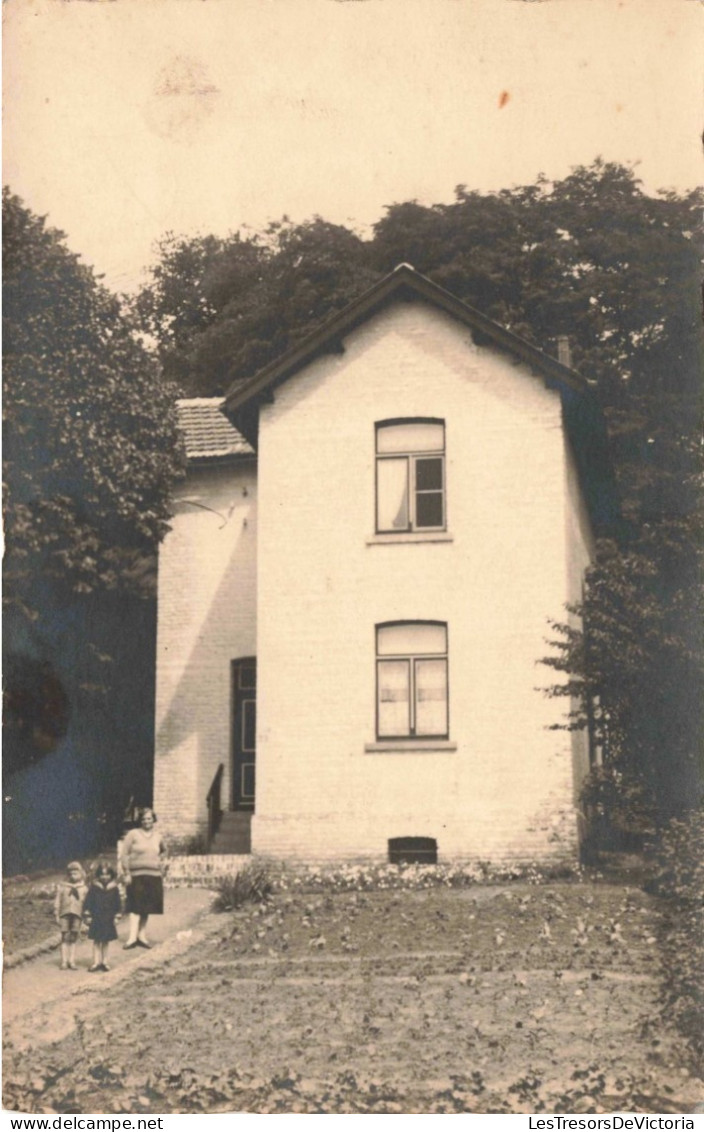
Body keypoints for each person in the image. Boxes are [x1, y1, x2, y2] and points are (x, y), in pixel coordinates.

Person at [118, 807, 166, 949]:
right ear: (140, 820)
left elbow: (164, 850)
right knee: (135, 906)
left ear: (153, 820)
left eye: (149, 818)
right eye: (144, 819)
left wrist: (160, 862)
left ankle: (142, 936)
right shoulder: (133, 834)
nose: (146, 821)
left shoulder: (158, 836)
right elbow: (124, 854)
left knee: (147, 907)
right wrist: (127, 873)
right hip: (136, 876)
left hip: (153, 875)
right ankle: (132, 938)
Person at [83, 859, 122, 971]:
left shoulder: (114, 889)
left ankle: (104, 962)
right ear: (98, 875)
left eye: (107, 874)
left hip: (108, 918)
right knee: (96, 941)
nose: (105, 877)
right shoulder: (94, 888)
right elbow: (88, 902)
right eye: (102, 875)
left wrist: (117, 916)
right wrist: (88, 915)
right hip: (97, 918)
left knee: (105, 941)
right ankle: (96, 962)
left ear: (111, 875)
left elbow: (117, 903)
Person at [54, 861, 88, 970]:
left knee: (73, 937)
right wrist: (56, 912)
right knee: (64, 936)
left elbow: (86, 902)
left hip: (77, 914)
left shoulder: (83, 888)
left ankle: (71, 960)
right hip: (65, 913)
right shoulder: (63, 887)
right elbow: (58, 900)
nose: (73, 876)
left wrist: (86, 914)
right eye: (71, 874)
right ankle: (64, 961)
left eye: (76, 873)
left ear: (81, 874)